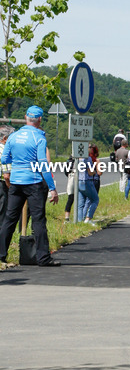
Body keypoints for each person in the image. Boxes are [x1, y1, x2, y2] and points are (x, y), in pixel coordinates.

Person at [0, 106, 59, 266]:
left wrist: (19, 162)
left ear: (26, 117)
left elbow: (4, 159)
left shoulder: (13, 136)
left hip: (16, 183)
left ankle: (1, 255)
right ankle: (43, 258)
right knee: (38, 220)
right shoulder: (39, 137)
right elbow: (43, 163)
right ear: (40, 120)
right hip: (33, 182)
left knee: (9, 219)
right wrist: (52, 188)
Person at [77, 144, 101, 223]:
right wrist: (94, 172)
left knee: (80, 204)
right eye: (89, 147)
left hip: (79, 181)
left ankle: (80, 221)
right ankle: (88, 218)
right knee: (95, 199)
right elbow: (90, 172)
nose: (90, 149)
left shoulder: (77, 158)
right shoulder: (88, 158)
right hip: (87, 181)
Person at [63, 155, 77, 221]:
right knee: (72, 198)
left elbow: (66, 172)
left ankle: (67, 218)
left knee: (71, 198)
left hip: (71, 177)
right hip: (74, 177)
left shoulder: (69, 161)